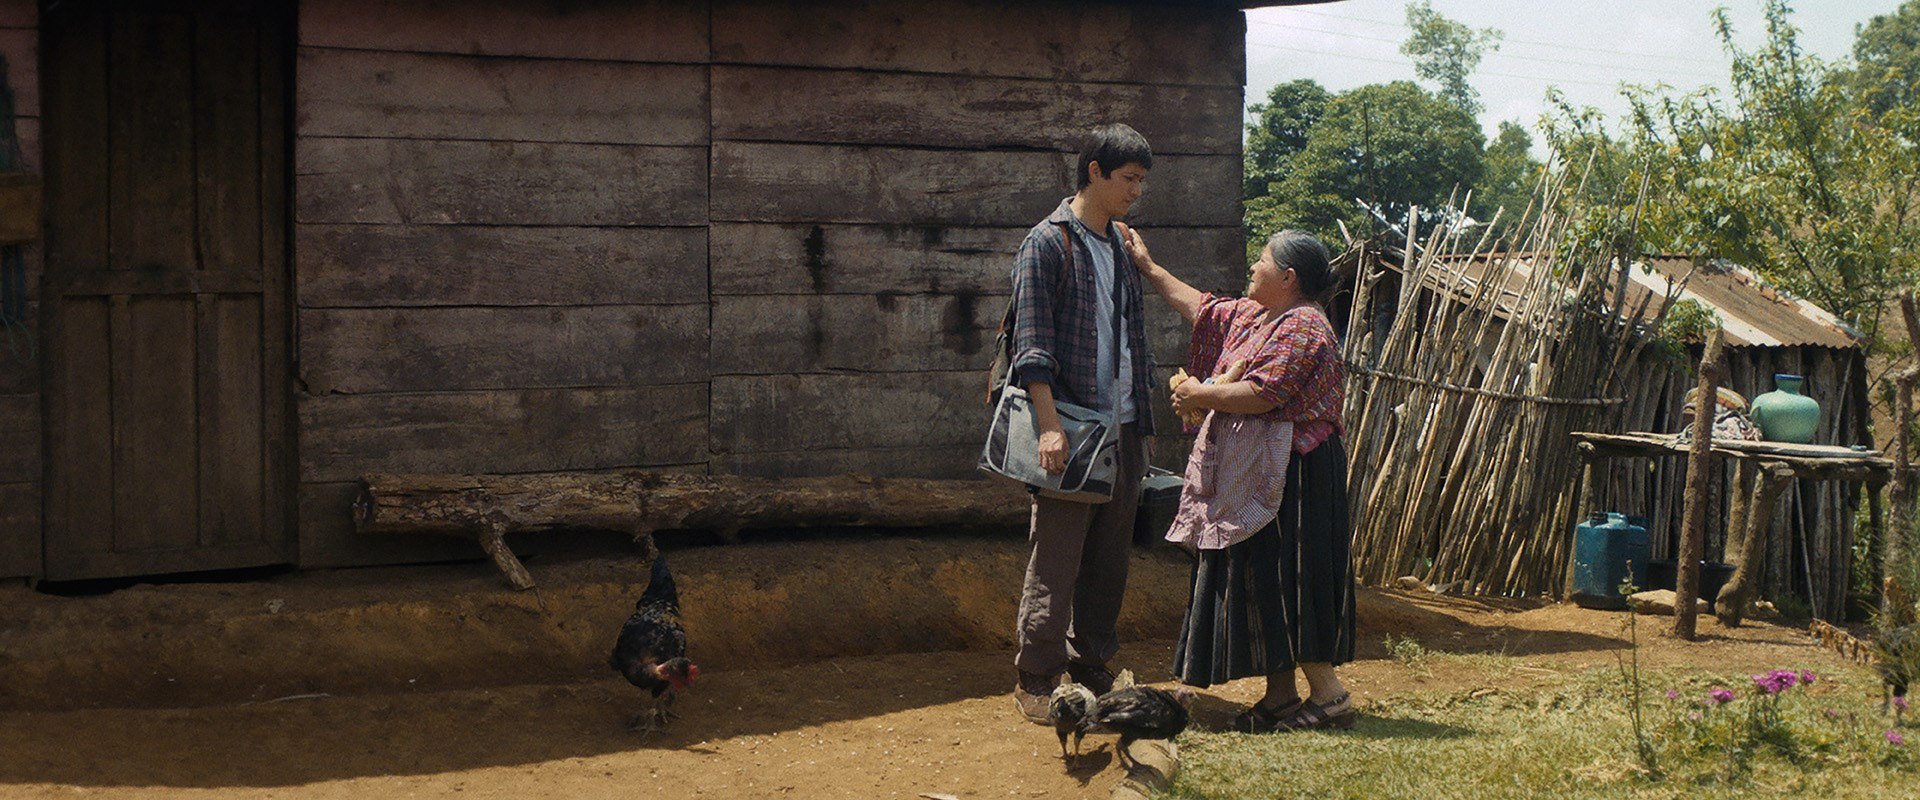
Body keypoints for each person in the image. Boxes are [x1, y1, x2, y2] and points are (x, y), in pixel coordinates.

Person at [1124, 226, 1357, 732]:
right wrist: (1147, 265)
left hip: (1298, 475)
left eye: (1263, 260)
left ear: (1288, 277)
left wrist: (1198, 394)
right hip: (1260, 474)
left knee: (1293, 576)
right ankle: (1281, 696)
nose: (1253, 267)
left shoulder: (1304, 328)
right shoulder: (1259, 316)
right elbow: (1203, 309)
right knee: (1259, 576)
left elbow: (1263, 393)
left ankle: (1330, 695)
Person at [1007, 123, 1158, 723]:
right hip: (1071, 425)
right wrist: (1049, 425)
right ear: (1094, 171)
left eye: (1142, 181)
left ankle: (1090, 659)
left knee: (1109, 554)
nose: (1137, 191)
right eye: (1129, 179)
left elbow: (1133, 340)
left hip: (1122, 426)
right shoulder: (1045, 243)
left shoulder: (1121, 244)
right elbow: (1032, 343)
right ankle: (1036, 674)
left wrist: (1142, 418)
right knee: (1059, 552)